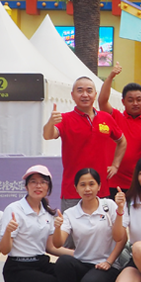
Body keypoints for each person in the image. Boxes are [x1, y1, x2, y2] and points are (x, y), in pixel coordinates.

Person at [44, 76, 127, 209]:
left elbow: (122, 141)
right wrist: (50, 122)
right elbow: (48, 135)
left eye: (89, 90)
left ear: (95, 94)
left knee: (103, 222)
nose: (85, 95)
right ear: (72, 95)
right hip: (73, 191)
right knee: (70, 223)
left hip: (100, 190)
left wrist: (115, 165)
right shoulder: (65, 119)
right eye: (80, 90)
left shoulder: (106, 118)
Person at [53, 169, 126, 282]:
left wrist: (119, 210)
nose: (87, 189)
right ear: (76, 188)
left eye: (91, 184)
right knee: (63, 262)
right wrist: (57, 227)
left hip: (107, 265)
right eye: (83, 185)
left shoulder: (109, 206)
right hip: (83, 264)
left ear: (99, 186)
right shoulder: (70, 213)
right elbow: (58, 243)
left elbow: (120, 238)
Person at [98, 62, 141, 199]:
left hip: (139, 183)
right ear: (123, 102)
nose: (135, 103)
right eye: (130, 100)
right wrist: (111, 76)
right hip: (113, 181)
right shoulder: (115, 117)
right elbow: (102, 102)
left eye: (139, 100)